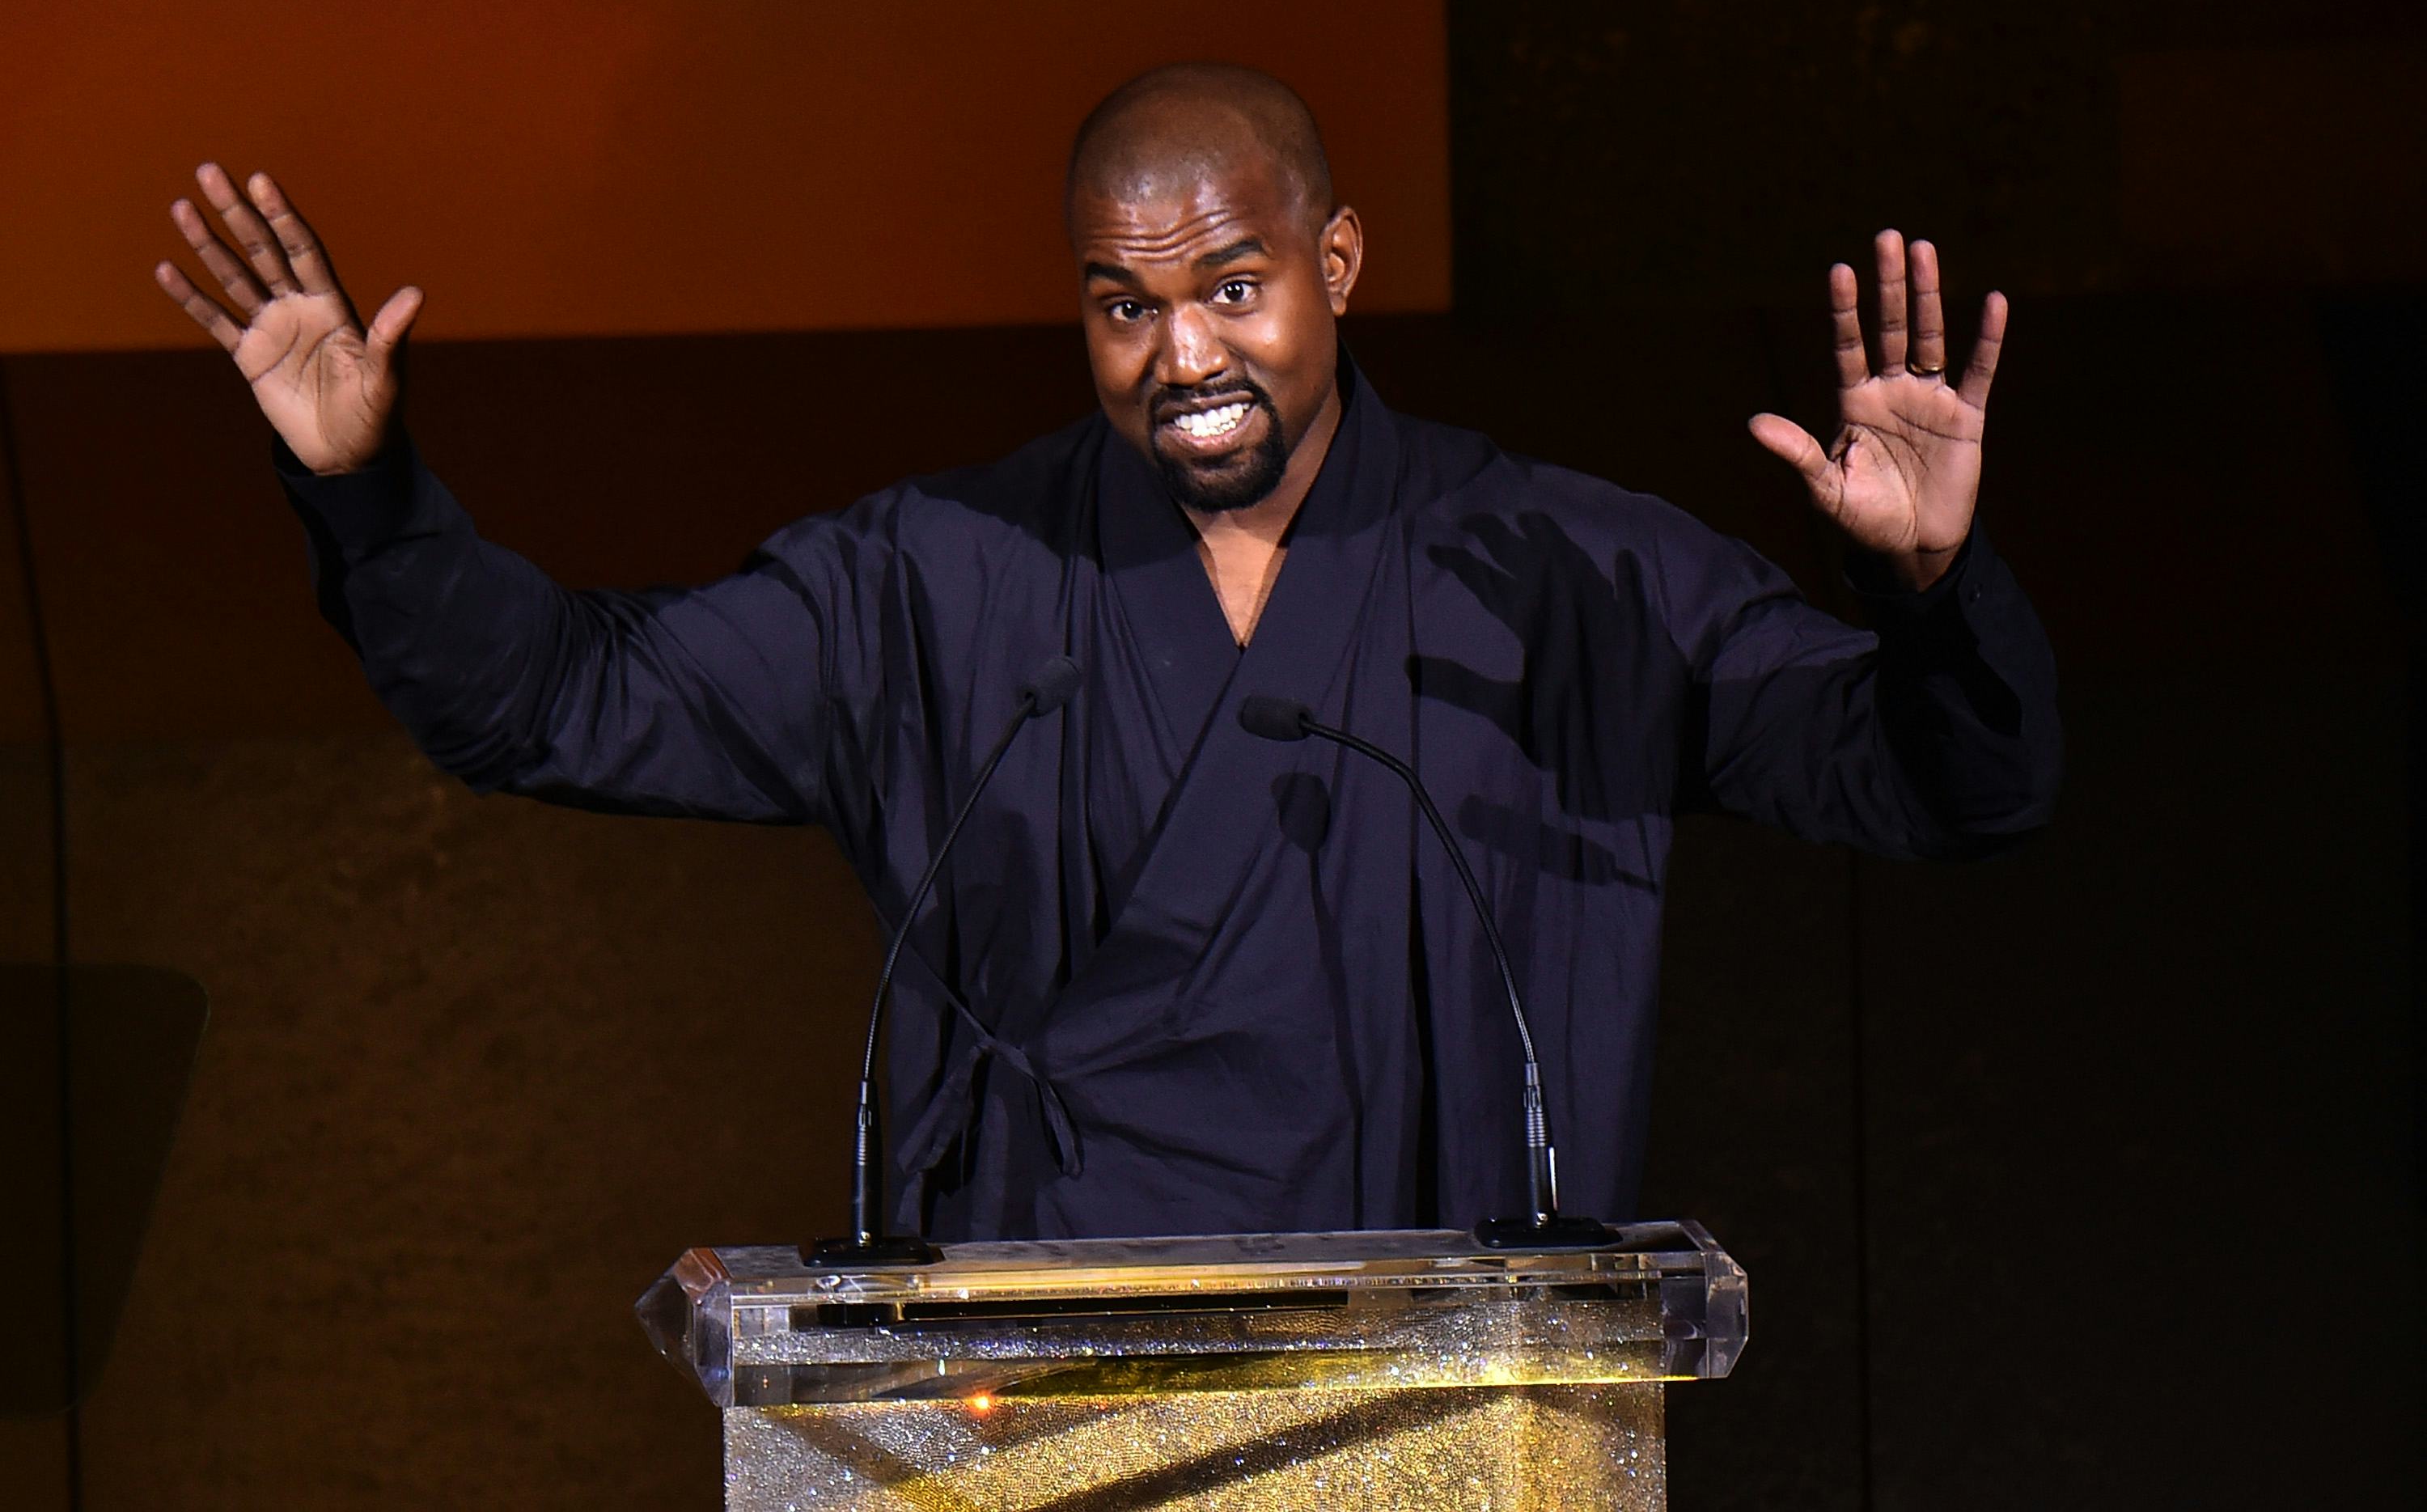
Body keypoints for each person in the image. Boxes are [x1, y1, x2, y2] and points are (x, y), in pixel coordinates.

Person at [155, 64, 2059, 1242]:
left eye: (1232, 287)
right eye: (1122, 305)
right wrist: (369, 487)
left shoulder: (1565, 566)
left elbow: (1948, 783)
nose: (1182, 356)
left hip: (1447, 1418)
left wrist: (1931, 584)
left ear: (1336, 262)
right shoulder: (936, 578)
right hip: (1032, 1413)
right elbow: (548, 702)